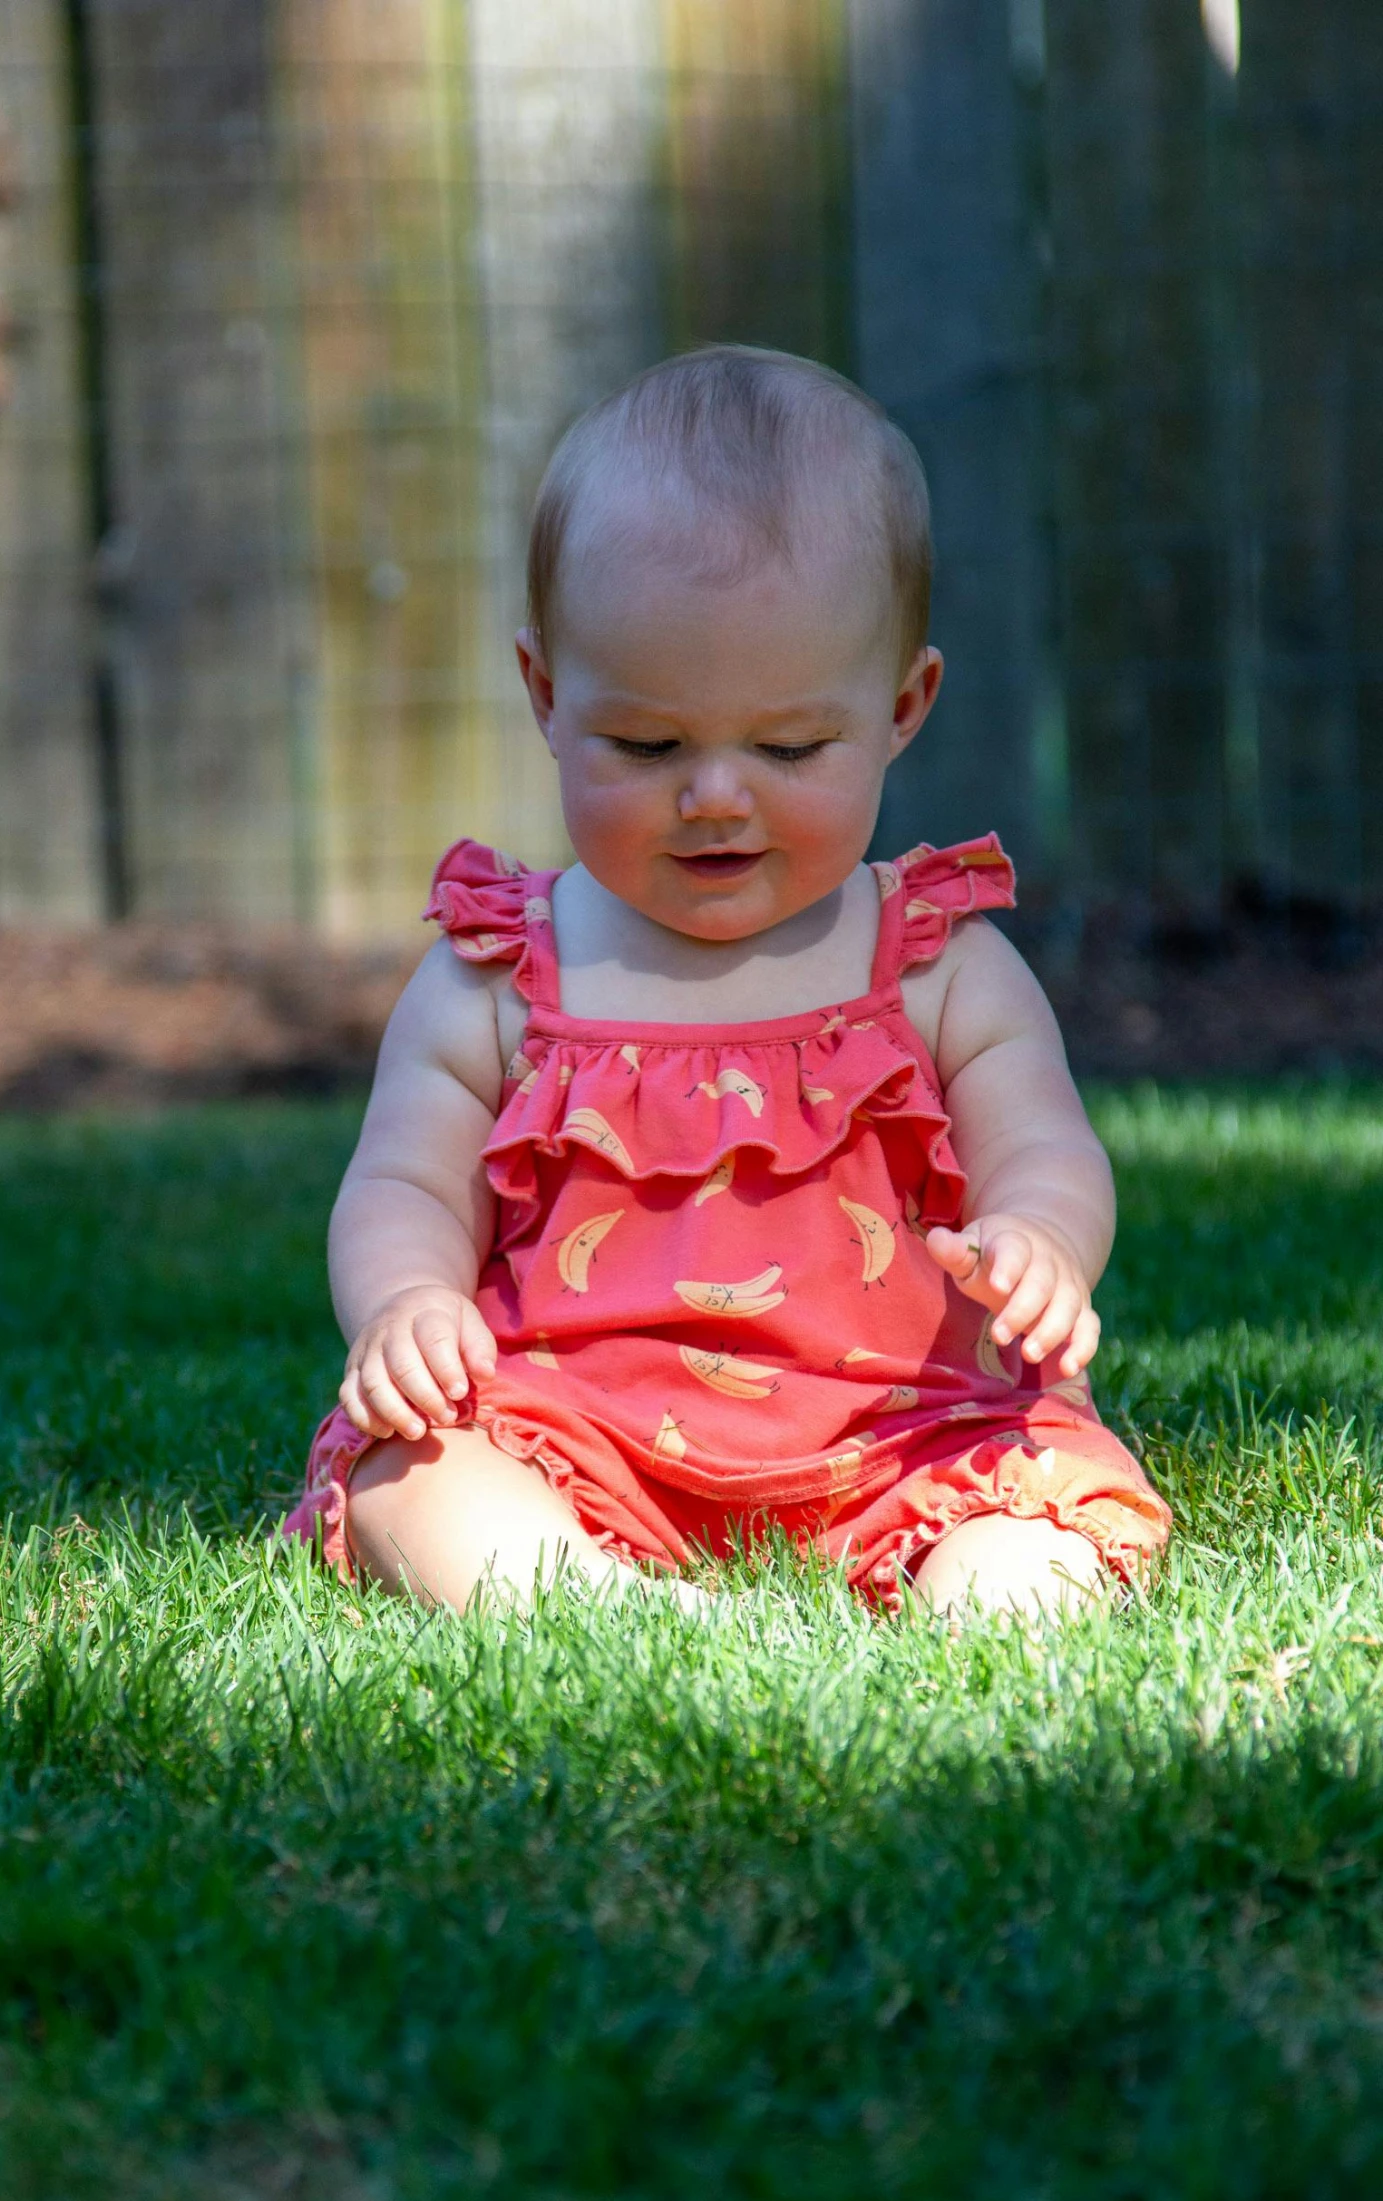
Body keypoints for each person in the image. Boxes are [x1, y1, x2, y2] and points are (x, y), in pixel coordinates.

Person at [285, 345, 1171, 1619]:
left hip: (907, 1421)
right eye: (646, 744)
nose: (714, 794)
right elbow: (404, 1178)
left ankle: (982, 1595)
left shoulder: (935, 965)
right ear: (544, 692)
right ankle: (595, 1600)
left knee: (1031, 1502)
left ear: (901, 706)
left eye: (789, 744)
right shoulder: (497, 977)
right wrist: (408, 1303)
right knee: (407, 1473)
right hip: (577, 1432)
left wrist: (1041, 1241)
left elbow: (1044, 1144)